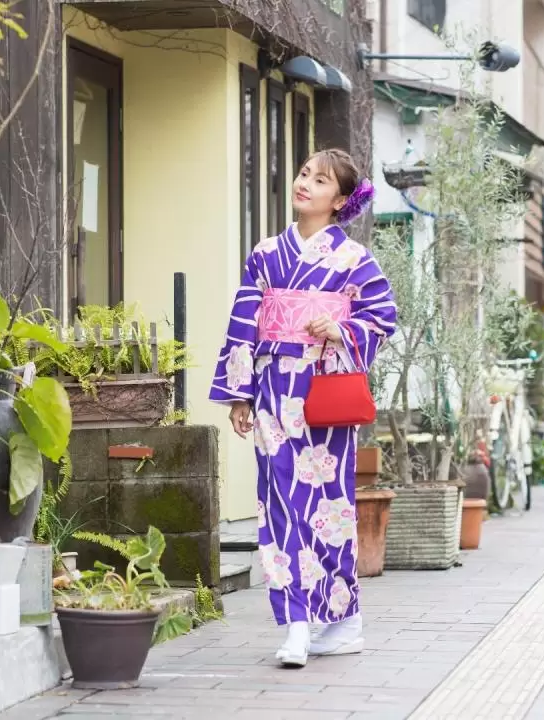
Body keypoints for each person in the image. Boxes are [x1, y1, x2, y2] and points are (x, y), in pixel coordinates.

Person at [208, 149, 397, 668]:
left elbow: (383, 316)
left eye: (319, 181)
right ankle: (296, 624)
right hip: (272, 391)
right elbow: (244, 319)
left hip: (322, 392)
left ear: (339, 200)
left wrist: (341, 329)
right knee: (280, 505)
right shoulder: (266, 253)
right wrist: (240, 394)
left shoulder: (355, 260)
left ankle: (343, 621)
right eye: (303, 174)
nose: (304, 184)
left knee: (331, 509)